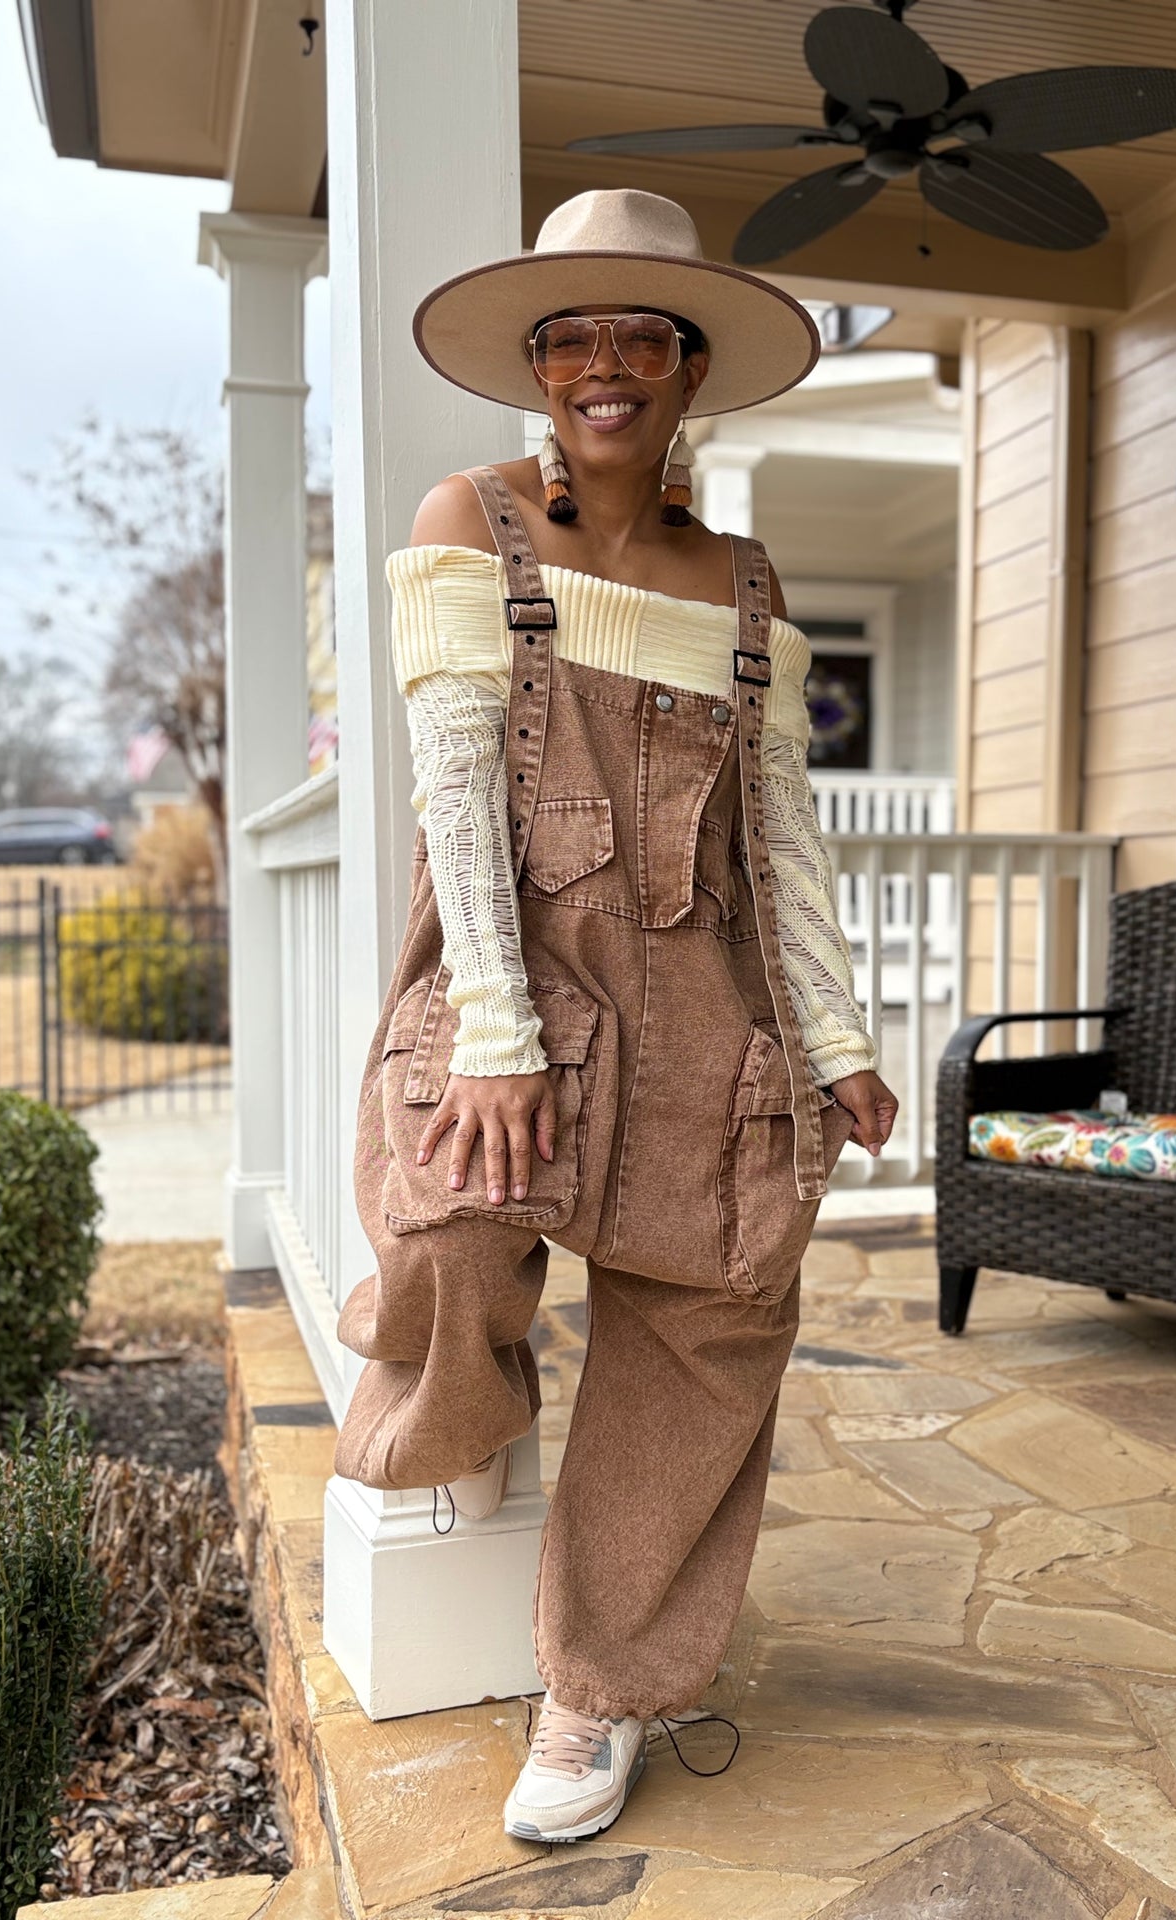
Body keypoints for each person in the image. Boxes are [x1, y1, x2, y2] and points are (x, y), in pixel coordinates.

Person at [333, 188, 898, 1843]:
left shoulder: (742, 583)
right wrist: (499, 1035)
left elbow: (778, 833)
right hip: (523, 974)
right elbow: (452, 796)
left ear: (688, 368)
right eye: (569, 333)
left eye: (639, 332)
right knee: (443, 1220)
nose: (602, 362)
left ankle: (597, 1691)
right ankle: (468, 1415)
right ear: (535, 366)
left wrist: (840, 1037)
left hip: (713, 991)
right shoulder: (470, 517)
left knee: (721, 1306)